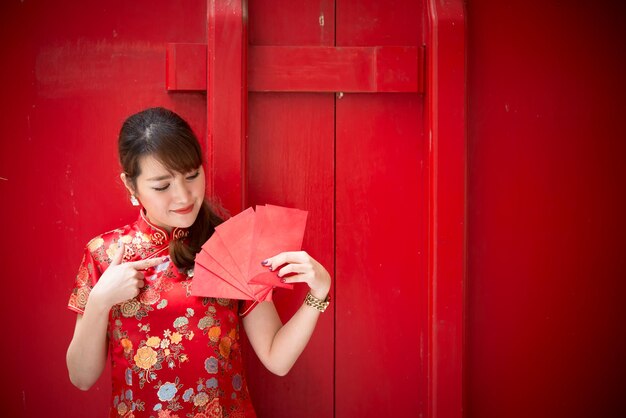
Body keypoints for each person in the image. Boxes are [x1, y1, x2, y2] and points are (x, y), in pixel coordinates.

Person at [66, 107, 331, 418]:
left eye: (192, 175)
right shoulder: (104, 254)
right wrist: (99, 301)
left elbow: (277, 357)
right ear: (130, 185)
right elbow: (81, 378)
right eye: (162, 186)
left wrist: (318, 293)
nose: (183, 197)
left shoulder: (232, 244)